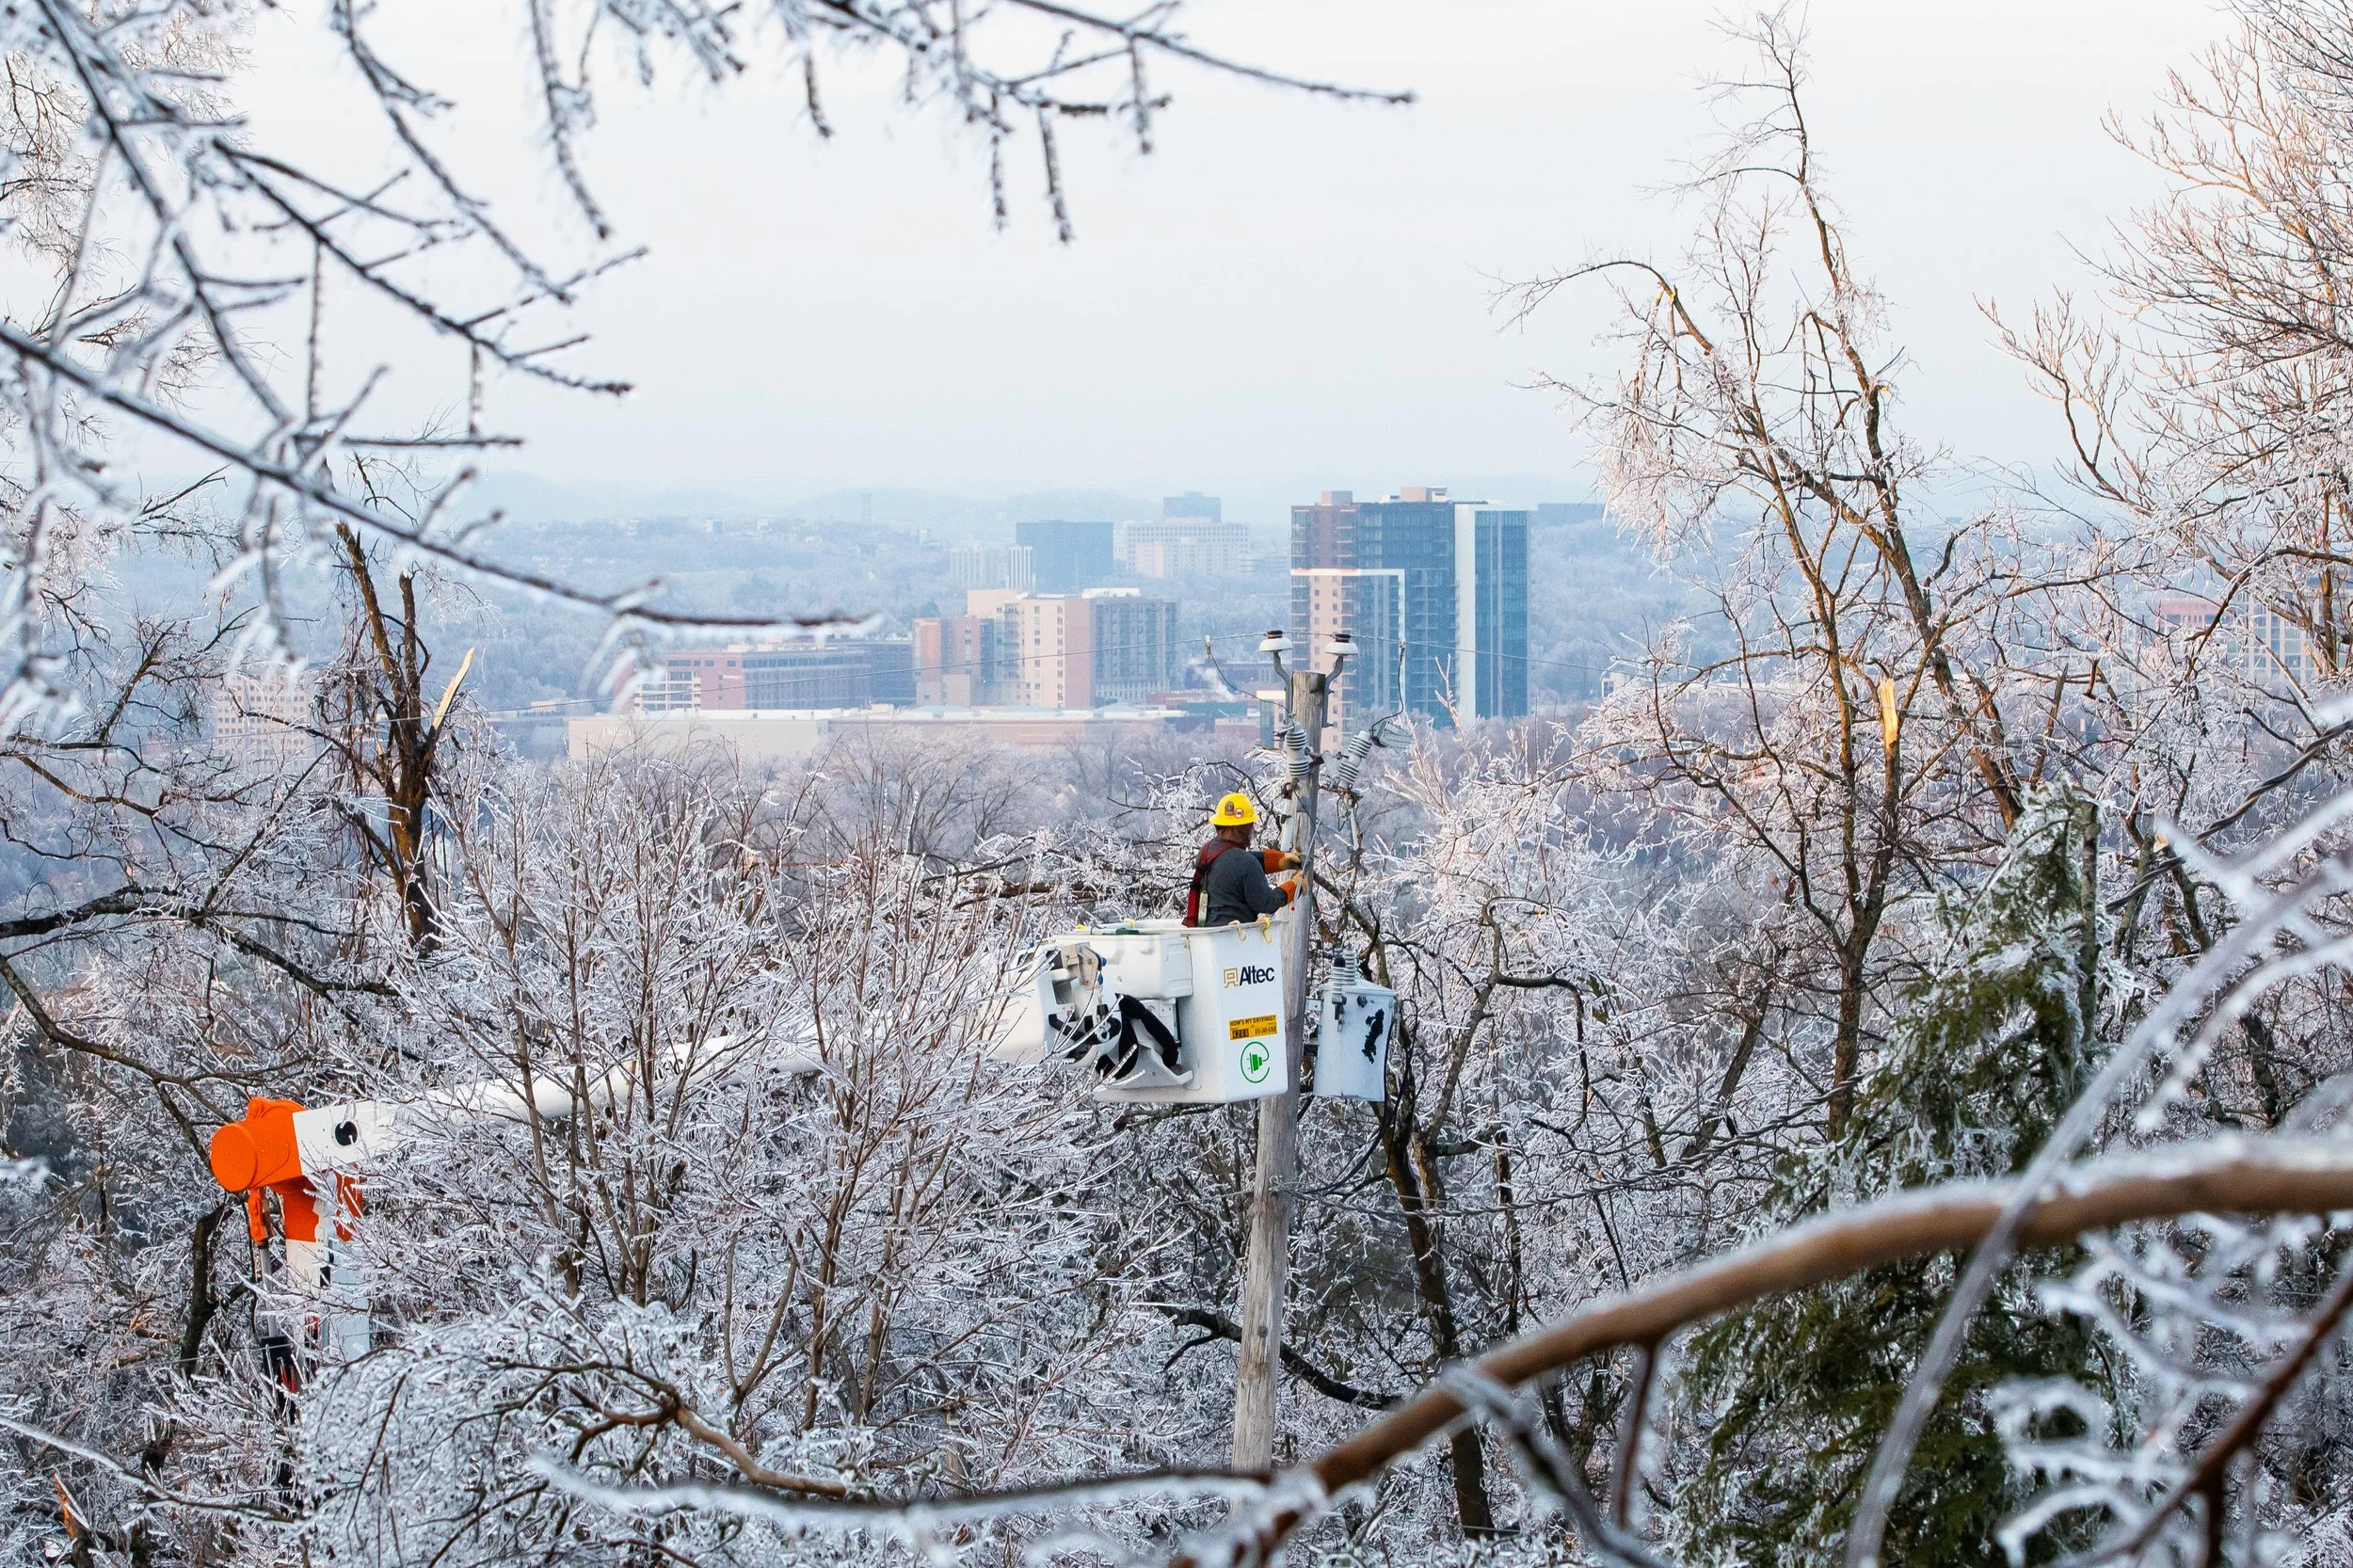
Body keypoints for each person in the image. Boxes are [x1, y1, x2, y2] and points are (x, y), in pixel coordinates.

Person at [1183, 792, 1297, 927]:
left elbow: (1235, 865)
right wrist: (1295, 886)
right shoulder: (1246, 863)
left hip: (1209, 934)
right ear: (1245, 828)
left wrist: (1281, 860)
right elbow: (1267, 903)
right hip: (1235, 940)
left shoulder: (1206, 851)